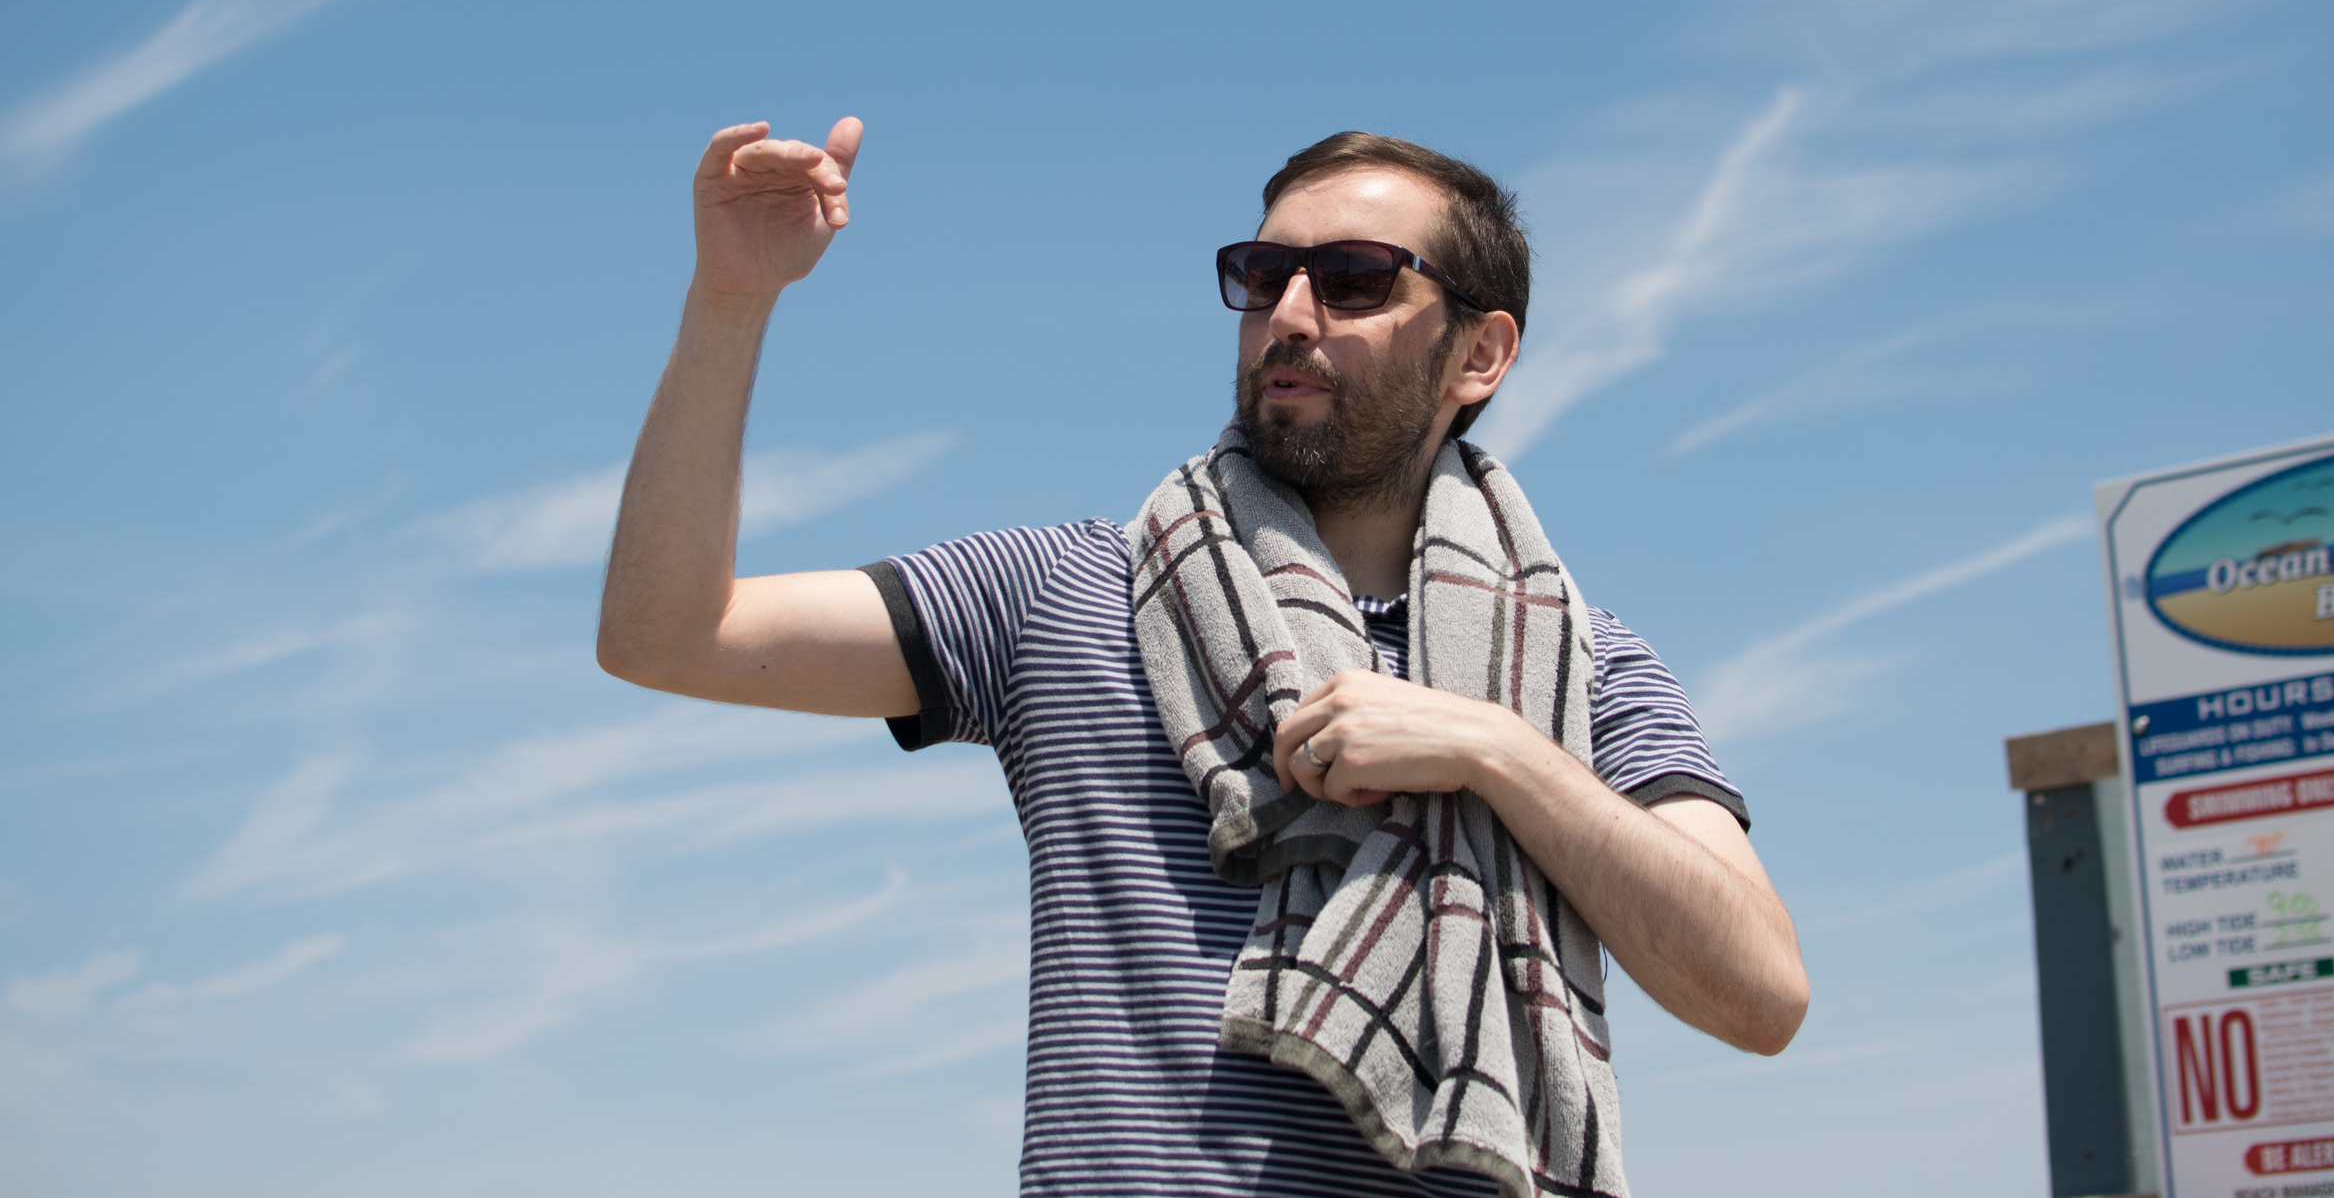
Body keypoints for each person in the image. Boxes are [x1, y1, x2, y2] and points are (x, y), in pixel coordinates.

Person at [597, 118, 1809, 1198]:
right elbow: (669, 633)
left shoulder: (1586, 671)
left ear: (1478, 356)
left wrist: (1495, 752)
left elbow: (1758, 993)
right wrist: (731, 299)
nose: (1288, 312)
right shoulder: (1069, 592)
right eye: (1261, 273)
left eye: (1351, 280)